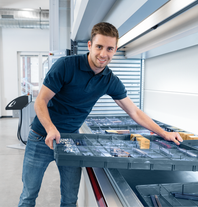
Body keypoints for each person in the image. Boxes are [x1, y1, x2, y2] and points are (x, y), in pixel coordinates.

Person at [18, 22, 183, 207]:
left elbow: (134, 111)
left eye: (109, 49)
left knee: (70, 199)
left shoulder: (110, 80)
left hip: (71, 141)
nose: (103, 54)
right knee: (28, 195)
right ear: (90, 45)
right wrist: (50, 128)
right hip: (41, 137)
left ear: (115, 50)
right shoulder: (65, 66)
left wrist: (165, 133)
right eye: (99, 47)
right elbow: (41, 101)